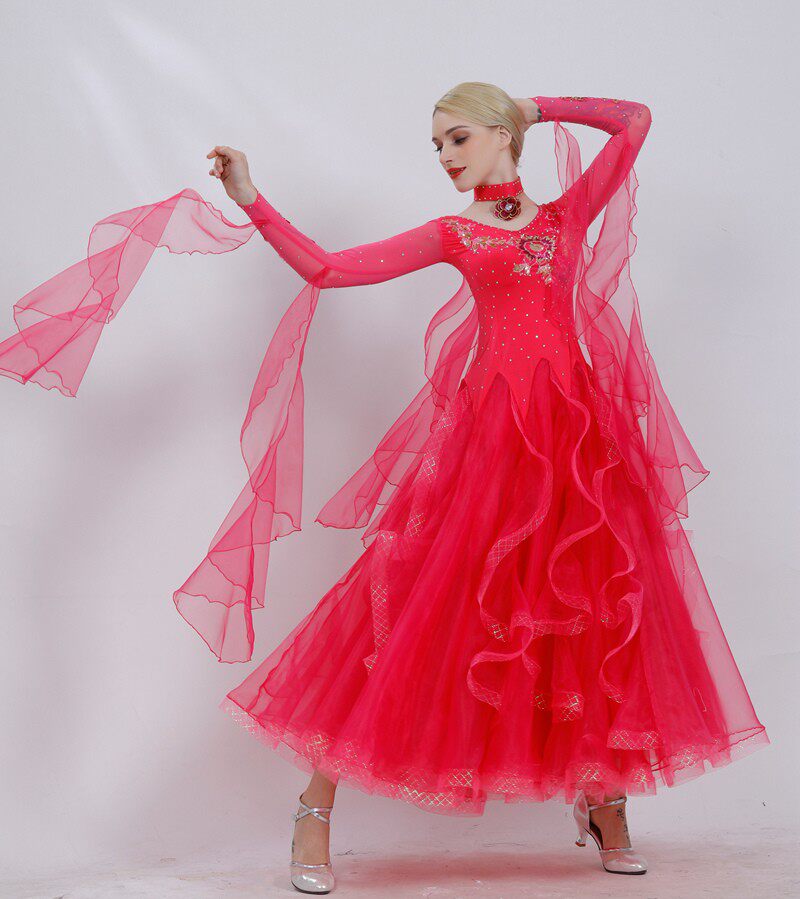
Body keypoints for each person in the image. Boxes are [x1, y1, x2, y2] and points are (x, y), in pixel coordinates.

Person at [0, 84, 770, 894]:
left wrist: (534, 104)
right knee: (412, 605)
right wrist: (252, 197)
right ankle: (314, 806)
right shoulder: (454, 233)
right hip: (491, 443)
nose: (445, 156)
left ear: (501, 133)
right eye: (436, 145)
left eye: (458, 138)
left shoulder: (566, 214)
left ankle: (605, 799)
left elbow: (634, 121)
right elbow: (328, 269)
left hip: (577, 444)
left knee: (592, 605)